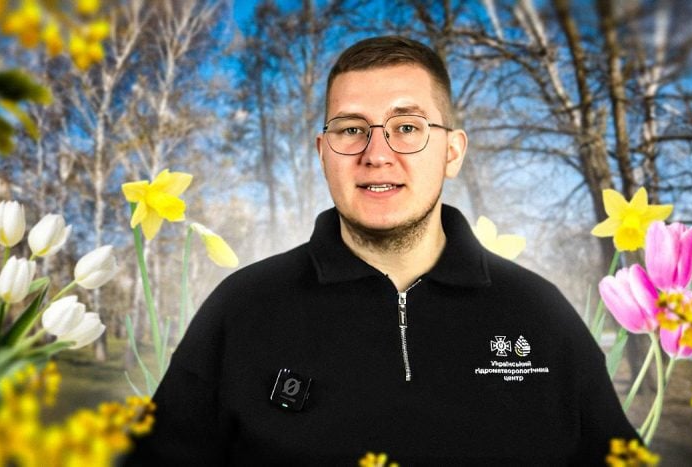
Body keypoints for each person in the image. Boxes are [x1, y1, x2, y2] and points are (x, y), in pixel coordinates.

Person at [126, 35, 639, 465]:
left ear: (452, 152)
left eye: (407, 128)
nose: (377, 154)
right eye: (351, 129)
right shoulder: (242, 308)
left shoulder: (539, 313)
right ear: (323, 153)